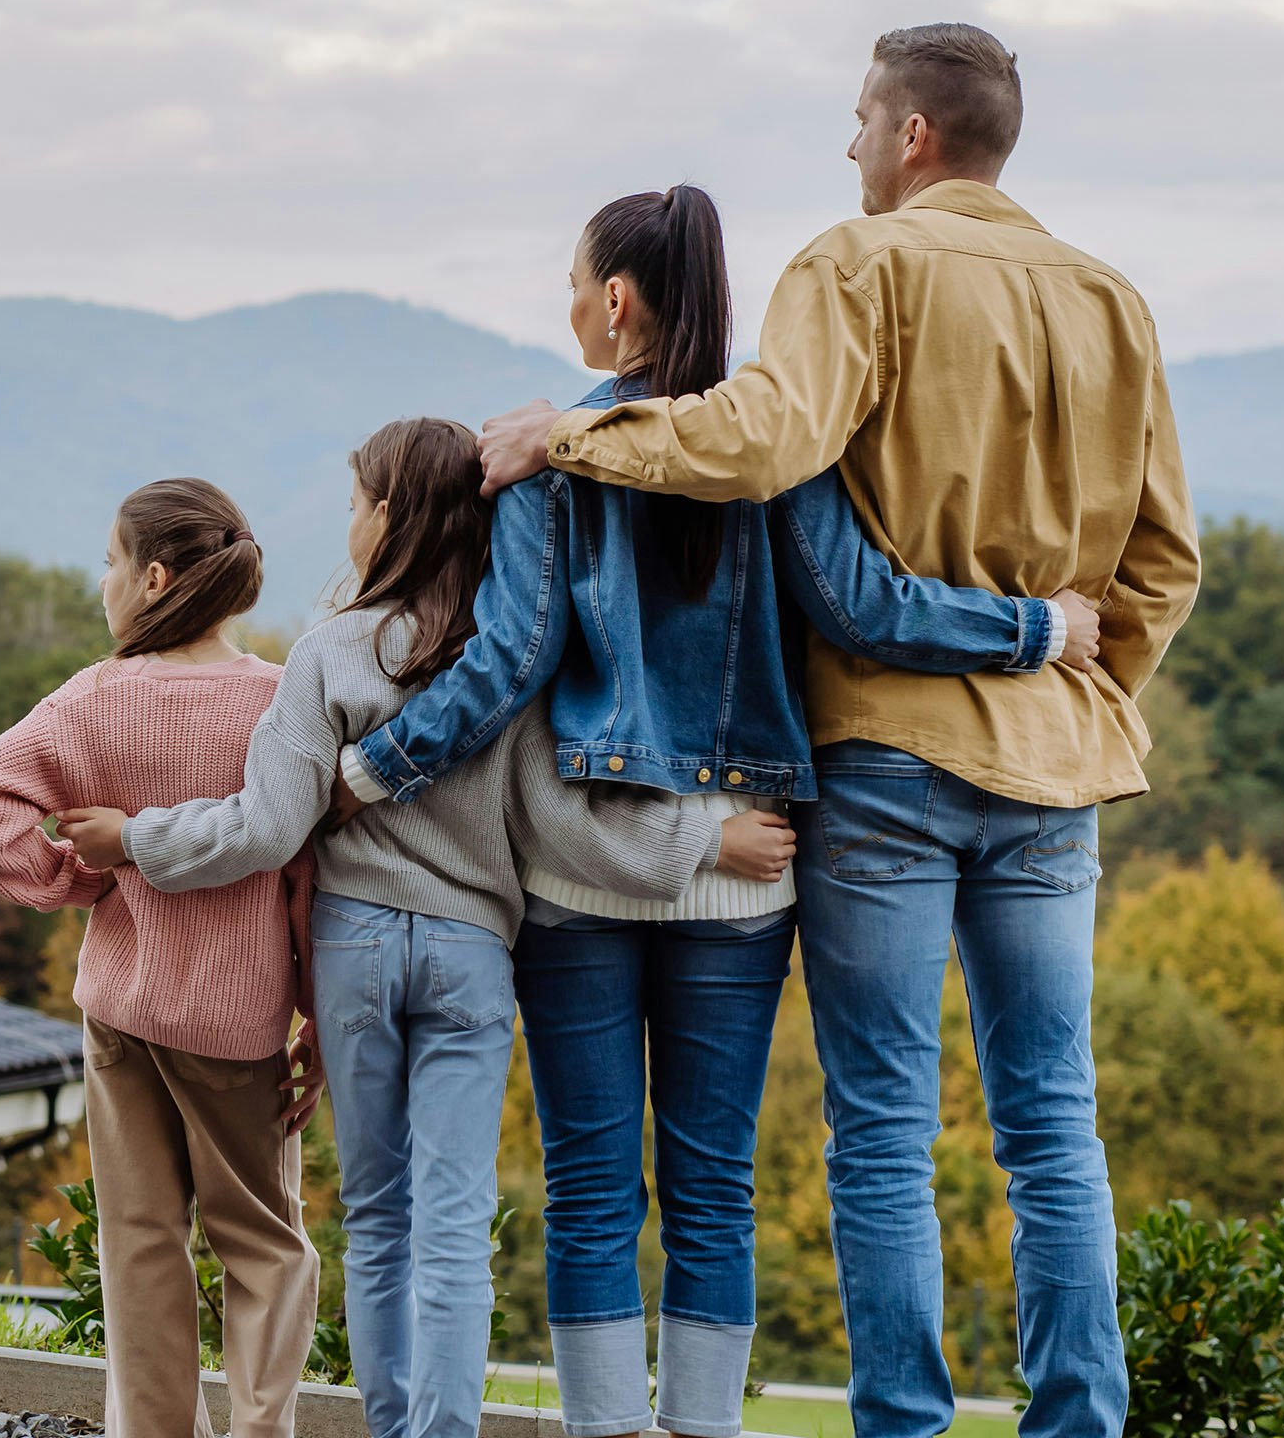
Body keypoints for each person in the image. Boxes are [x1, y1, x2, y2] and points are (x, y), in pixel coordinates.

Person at [476, 25, 1202, 1438]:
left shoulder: (854, 265)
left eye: (861, 119)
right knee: (1056, 1127)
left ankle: (905, 1430)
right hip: (1056, 769)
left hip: (886, 760)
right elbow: (1163, 562)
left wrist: (568, 437)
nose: (851, 145)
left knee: (882, 1131)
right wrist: (1092, 695)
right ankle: (1077, 1426)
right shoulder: (1114, 300)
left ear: (913, 135)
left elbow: (757, 442)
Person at [333, 185, 1096, 1438]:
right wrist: (1038, 628)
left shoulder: (546, 451)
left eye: (576, 282)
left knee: (589, 1189)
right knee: (713, 1190)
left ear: (618, 299)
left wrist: (375, 769)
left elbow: (509, 658)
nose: (569, 304)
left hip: (580, 876)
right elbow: (871, 608)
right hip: (750, 873)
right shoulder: (775, 447)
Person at [55, 417, 801, 1438]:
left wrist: (136, 838)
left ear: (392, 518)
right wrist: (704, 845)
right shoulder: (499, 670)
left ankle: (391, 1424)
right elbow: (563, 825)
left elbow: (268, 827)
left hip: (357, 951)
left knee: (378, 1220)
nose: (349, 522)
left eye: (358, 503)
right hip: (468, 956)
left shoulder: (327, 655)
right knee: (454, 1228)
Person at [0, 478, 318, 1438]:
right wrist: (312, 1008)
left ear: (153, 578)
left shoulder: (97, 698)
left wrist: (80, 880)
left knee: (141, 1243)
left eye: (110, 561)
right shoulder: (281, 702)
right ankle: (262, 1429)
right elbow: (310, 873)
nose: (100, 581)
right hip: (242, 1023)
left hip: (122, 1014)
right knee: (265, 1247)